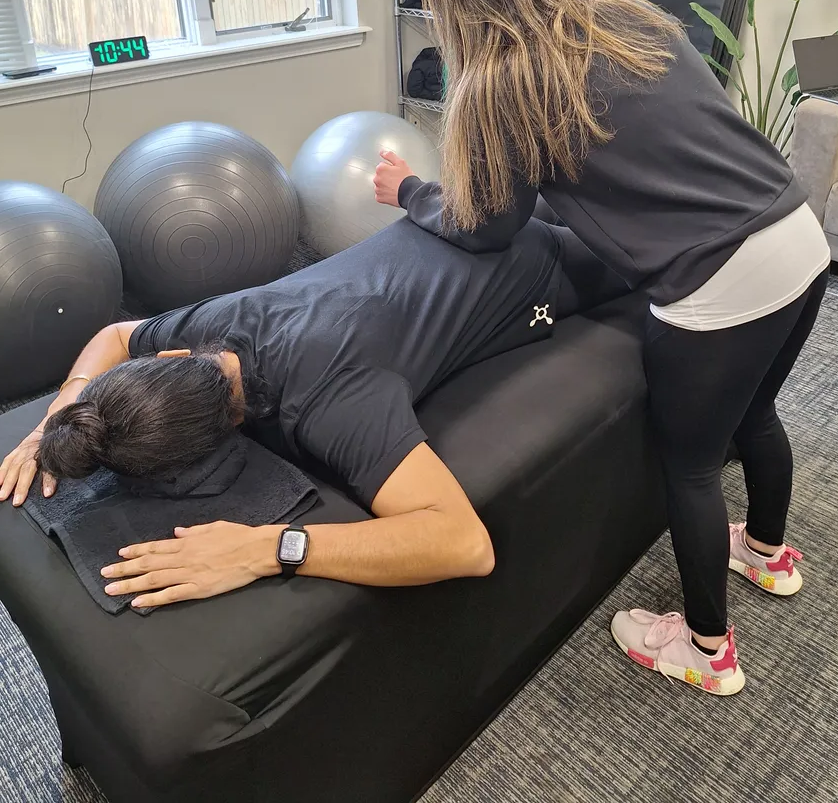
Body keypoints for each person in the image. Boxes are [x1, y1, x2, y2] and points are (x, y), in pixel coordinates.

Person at [373, 0, 830, 697]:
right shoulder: (625, 16)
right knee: (756, 413)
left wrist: (410, 189)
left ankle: (707, 650)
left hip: (720, 286)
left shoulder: (503, 83)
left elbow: (487, 227)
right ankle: (767, 555)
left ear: (449, 3)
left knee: (692, 468)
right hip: (799, 237)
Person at [0, 211, 612, 610]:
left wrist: (267, 548)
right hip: (450, 221)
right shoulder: (214, 328)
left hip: (537, 268)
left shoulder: (331, 402)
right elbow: (116, 338)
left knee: (652, 250)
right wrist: (65, 415)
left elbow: (465, 544)